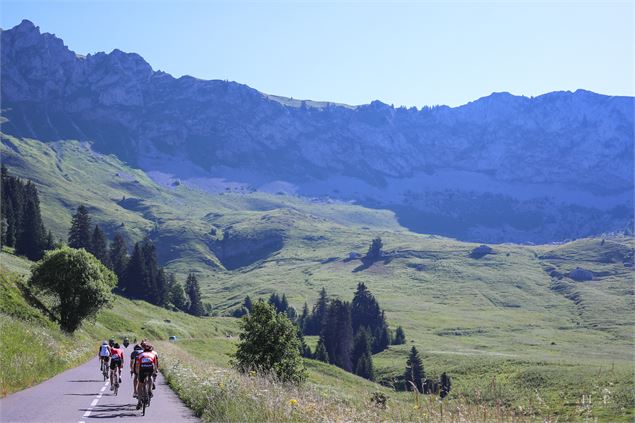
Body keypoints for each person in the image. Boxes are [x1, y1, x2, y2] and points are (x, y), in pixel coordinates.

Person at [135, 344, 158, 410]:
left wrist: (137, 373)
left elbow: (137, 365)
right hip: (150, 368)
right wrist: (154, 372)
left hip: (142, 369)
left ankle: (139, 402)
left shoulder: (140, 355)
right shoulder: (153, 355)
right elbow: (155, 365)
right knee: (150, 376)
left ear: (144, 351)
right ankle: (150, 390)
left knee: (140, 385)